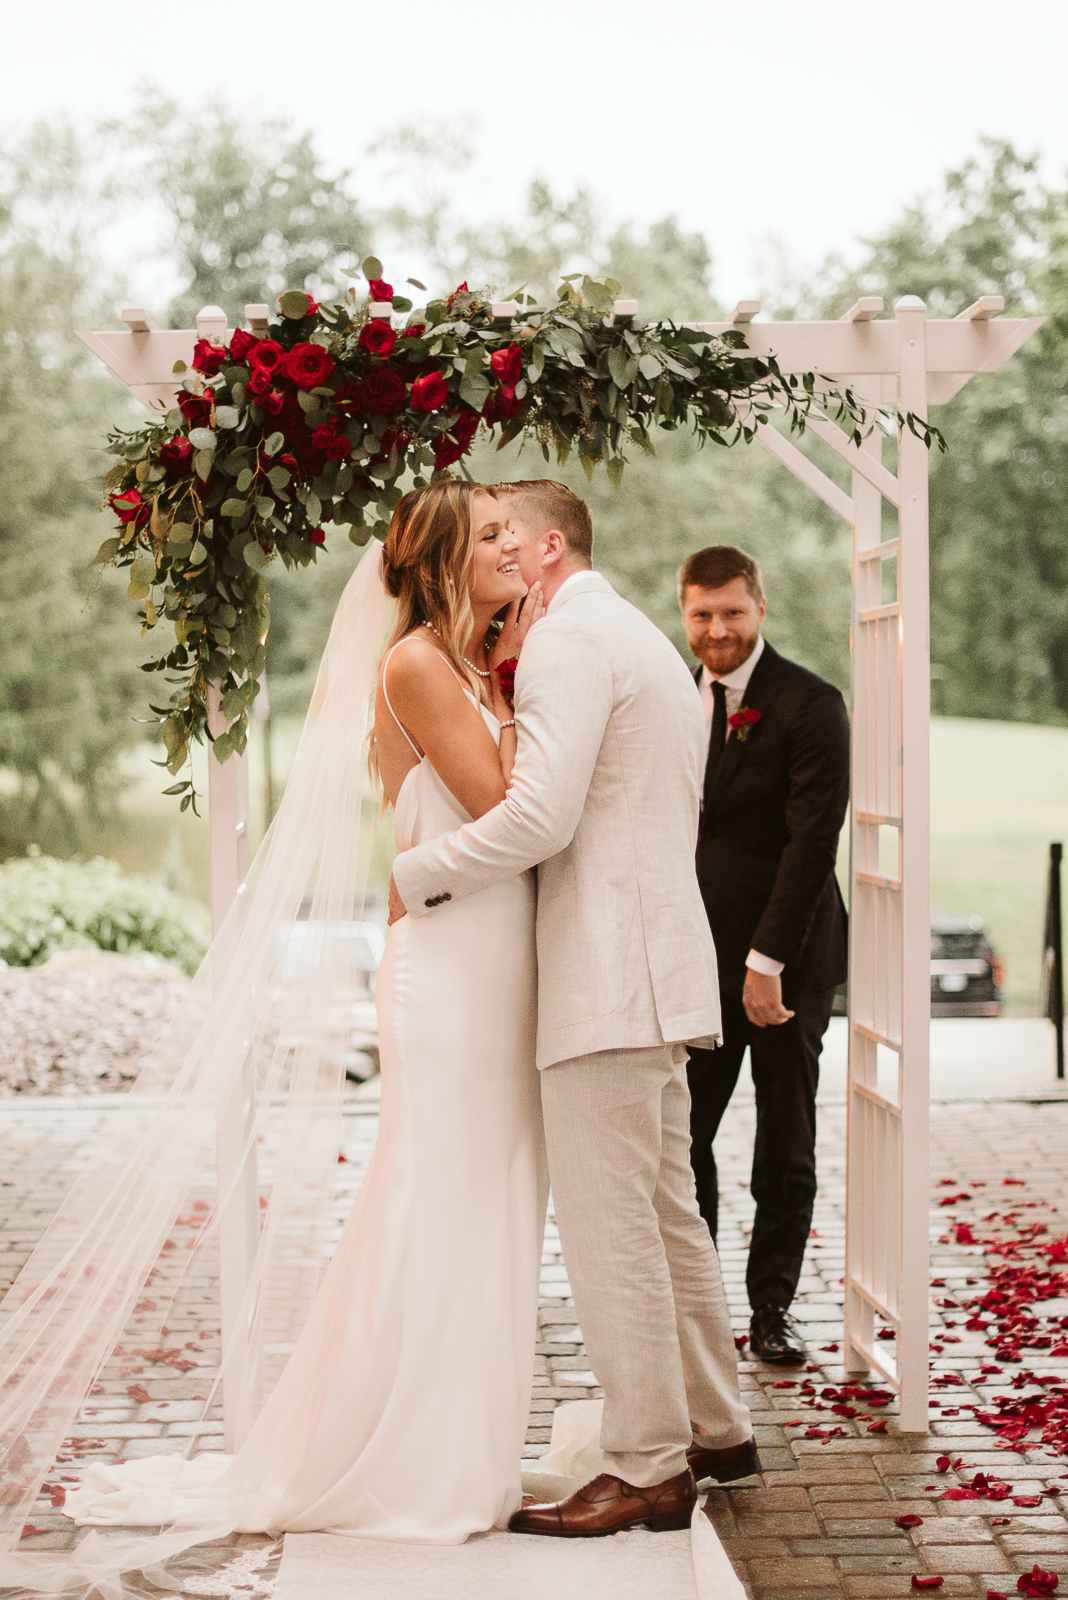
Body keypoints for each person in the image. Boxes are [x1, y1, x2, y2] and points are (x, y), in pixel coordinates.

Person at [17, 483, 551, 1570]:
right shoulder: (415, 664)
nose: (516, 546)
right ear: (446, 561)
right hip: (448, 973)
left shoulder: (466, 661)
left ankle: (464, 1444)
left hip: (486, 962)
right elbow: (506, 800)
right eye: (492, 534)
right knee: (434, 1207)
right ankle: (414, 1460)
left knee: (483, 1205)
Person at [390, 480, 758, 1535]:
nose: (505, 555)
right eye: (485, 536)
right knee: (665, 1215)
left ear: (546, 550)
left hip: (606, 975)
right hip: (654, 966)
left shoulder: (561, 643)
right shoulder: (633, 632)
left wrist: (419, 875)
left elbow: (541, 817)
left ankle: (648, 1465)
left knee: (614, 1235)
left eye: (512, 535)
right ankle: (716, 1424)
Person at [679, 545, 850, 1367]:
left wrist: (766, 961)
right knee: (682, 1133)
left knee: (784, 1139)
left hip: (789, 954)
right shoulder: (675, 698)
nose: (717, 630)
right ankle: (700, 1303)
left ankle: (773, 1309)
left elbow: (812, 841)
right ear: (686, 613)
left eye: (732, 613)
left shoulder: (811, 704)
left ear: (760, 607)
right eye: (702, 614)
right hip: (695, 956)